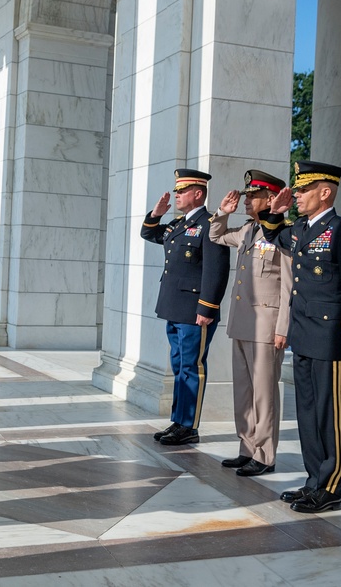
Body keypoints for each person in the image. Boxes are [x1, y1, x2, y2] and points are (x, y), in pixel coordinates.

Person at [256, 160, 341, 513]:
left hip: (331, 337)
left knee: (328, 414)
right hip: (305, 334)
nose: (297, 195)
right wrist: (274, 213)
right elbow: (274, 236)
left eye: (304, 190)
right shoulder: (301, 229)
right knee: (307, 412)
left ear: (325, 192)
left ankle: (331, 487)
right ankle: (313, 482)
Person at [208, 170, 291, 477]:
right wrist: (221, 213)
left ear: (271, 200)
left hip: (267, 325)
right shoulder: (246, 230)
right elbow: (215, 235)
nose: (246, 202)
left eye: (253, 197)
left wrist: (283, 327)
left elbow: (288, 285)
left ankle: (265, 456)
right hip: (242, 322)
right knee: (244, 392)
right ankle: (247, 448)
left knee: (264, 394)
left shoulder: (285, 233)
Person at [142, 169, 230, 445]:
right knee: (179, 364)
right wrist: (155, 214)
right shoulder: (178, 224)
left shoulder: (210, 224)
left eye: (182, 191)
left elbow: (216, 271)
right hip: (174, 306)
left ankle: (189, 426)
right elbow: (149, 234)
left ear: (198, 193)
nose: (177, 195)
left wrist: (207, 307)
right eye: (177, 191)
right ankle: (178, 421)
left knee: (192, 366)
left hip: (195, 310)